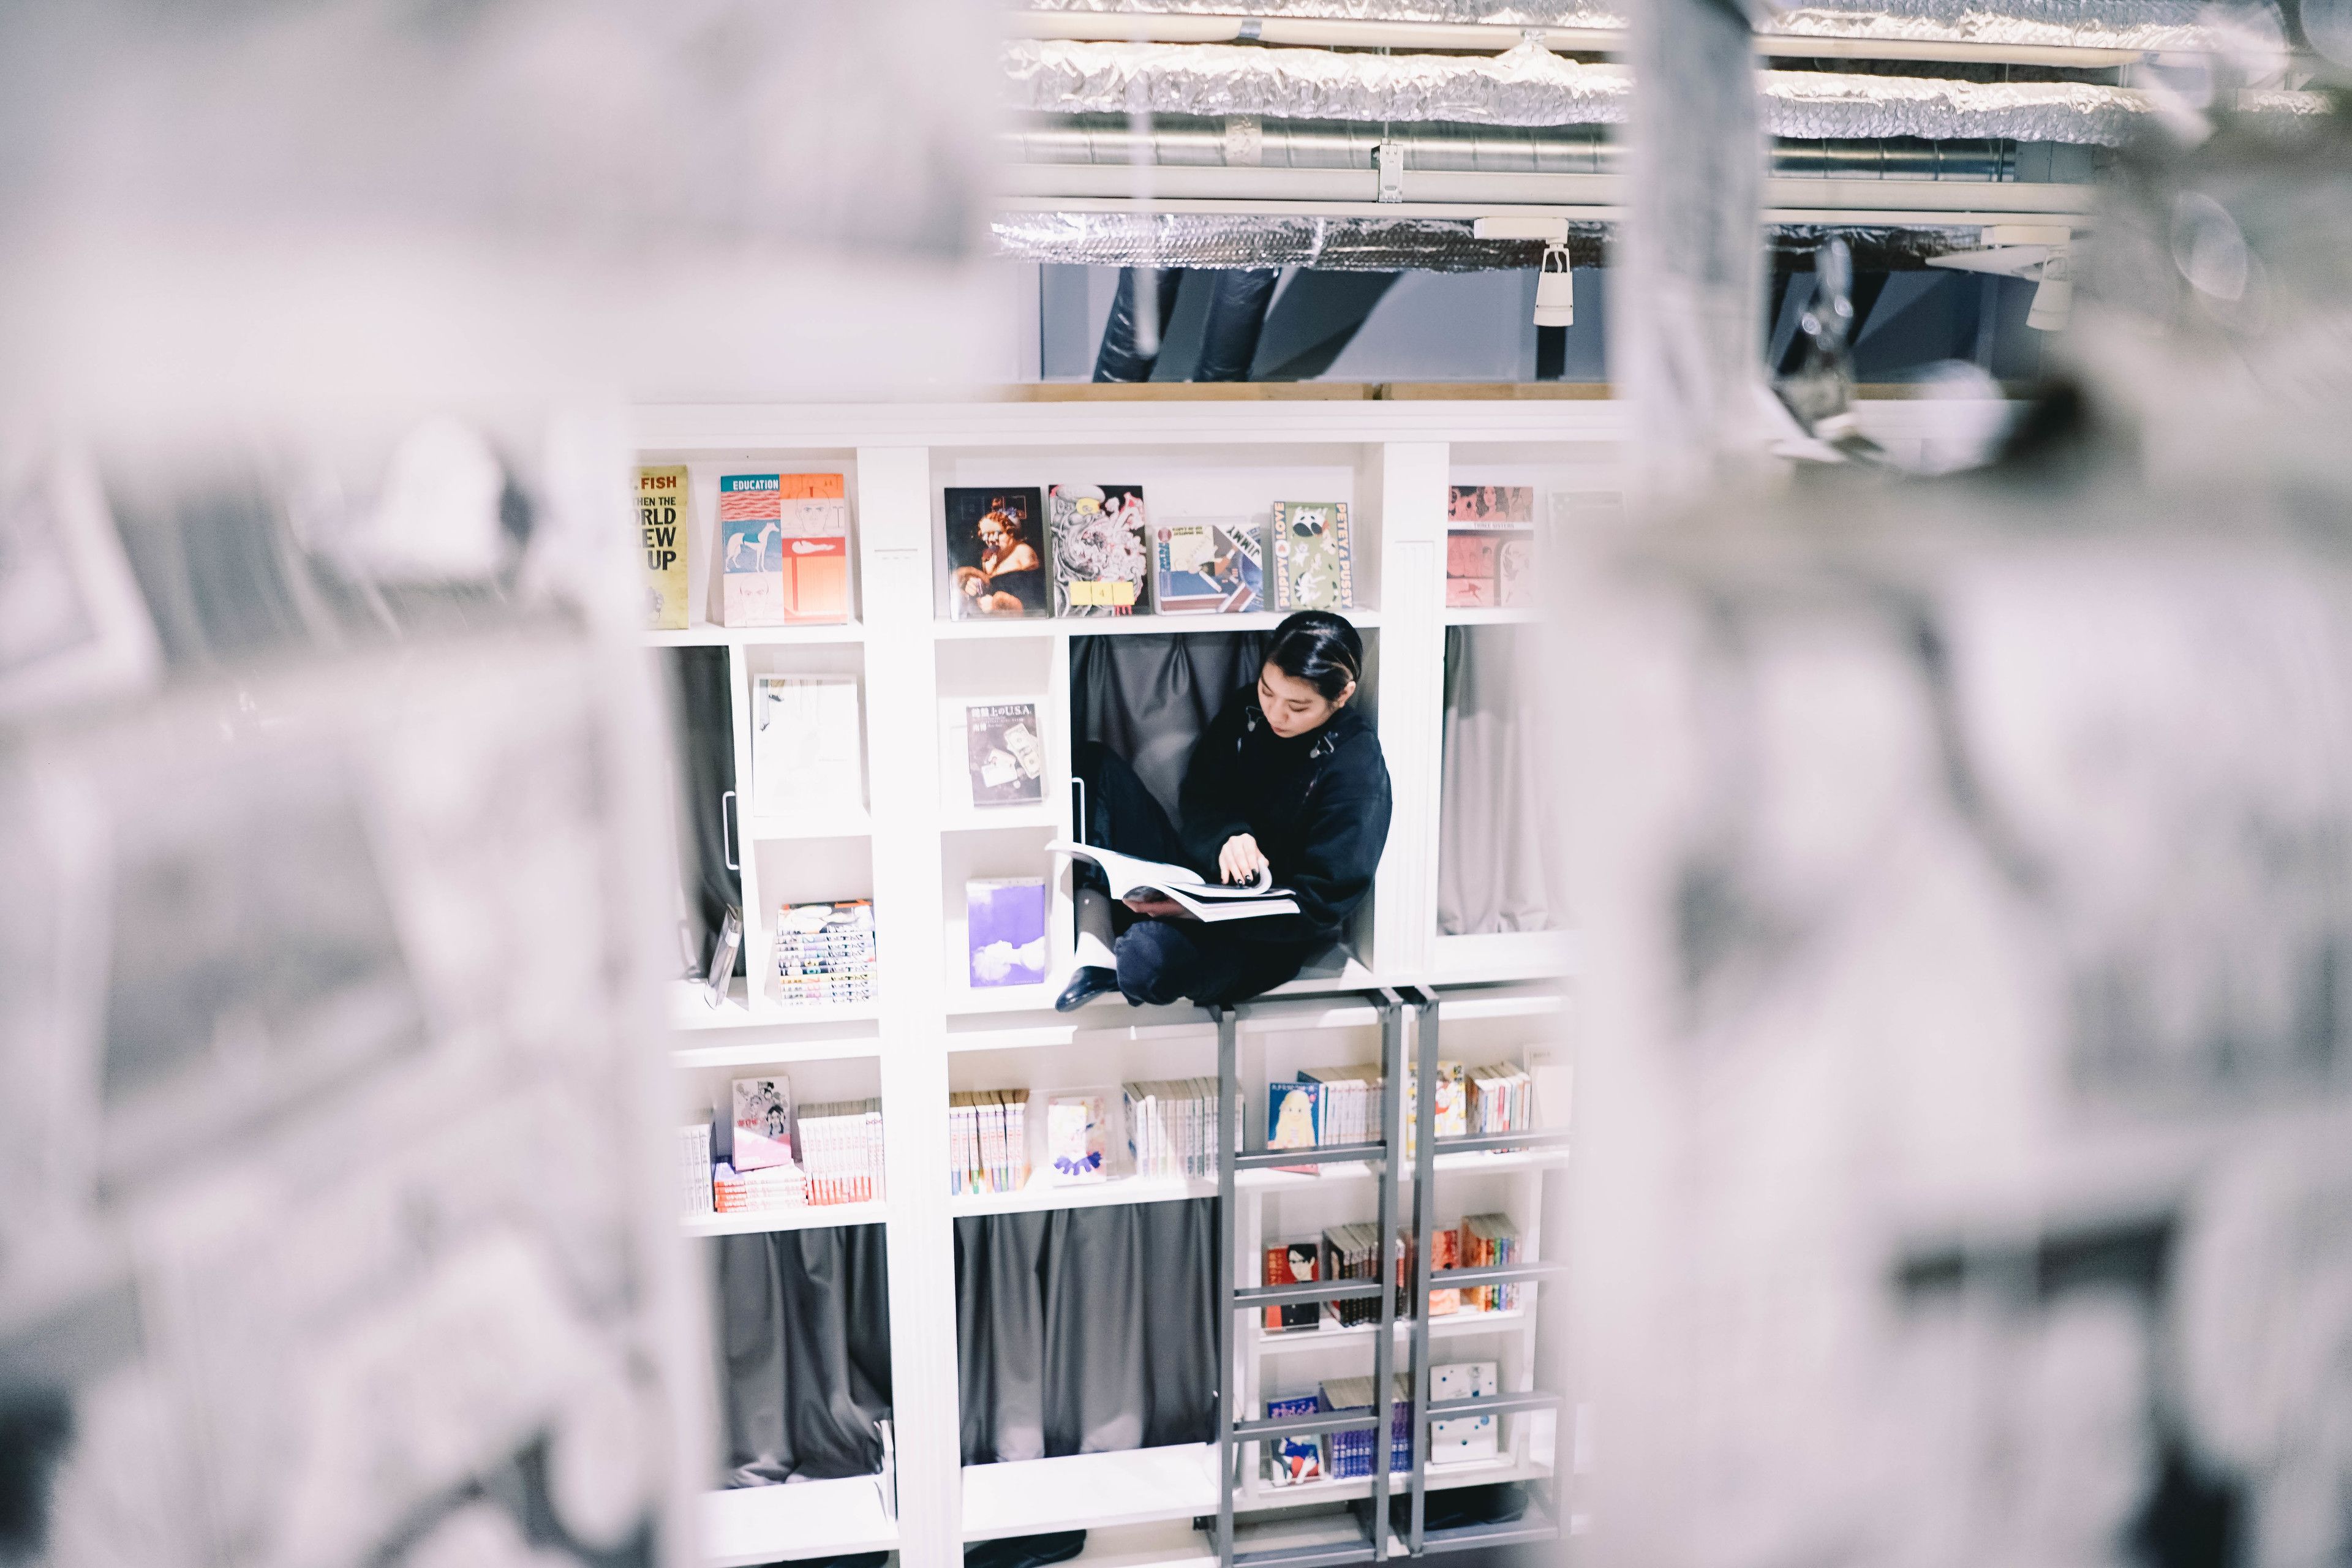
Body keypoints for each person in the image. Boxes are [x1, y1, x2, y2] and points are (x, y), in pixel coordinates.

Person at [1055, 611, 1393, 1010]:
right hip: (1198, 881)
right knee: (1095, 766)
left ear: (1342, 694)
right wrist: (1227, 835)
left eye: (1298, 707)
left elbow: (1321, 902)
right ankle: (1096, 942)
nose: (1276, 714)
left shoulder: (1356, 763)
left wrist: (1199, 914)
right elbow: (1200, 796)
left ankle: (1132, 939)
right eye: (1268, 691)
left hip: (1263, 939)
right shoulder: (1249, 710)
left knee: (1145, 963)